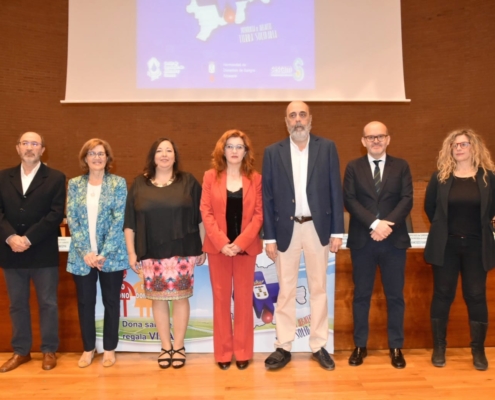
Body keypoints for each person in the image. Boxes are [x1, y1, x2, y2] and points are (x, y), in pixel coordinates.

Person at [262, 101, 344, 371]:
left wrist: (336, 230)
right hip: (285, 230)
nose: (298, 120)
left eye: (302, 114)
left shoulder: (327, 147)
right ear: (286, 120)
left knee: (318, 288)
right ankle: (283, 346)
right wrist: (269, 237)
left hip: (317, 228)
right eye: (292, 115)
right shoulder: (273, 152)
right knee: (285, 291)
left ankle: (318, 345)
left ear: (311, 119)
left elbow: (335, 189)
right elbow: (268, 196)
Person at [124, 138, 205, 369]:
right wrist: (131, 252)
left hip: (182, 250)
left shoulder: (188, 181)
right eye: (159, 150)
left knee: (180, 299)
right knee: (157, 301)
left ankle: (178, 346)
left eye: (169, 150)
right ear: (153, 156)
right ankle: (165, 347)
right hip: (150, 252)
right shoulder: (139, 183)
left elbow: (202, 216)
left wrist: (203, 246)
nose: (164, 154)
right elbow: (129, 221)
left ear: (175, 155)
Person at [424, 128, 495, 371]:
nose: (459, 148)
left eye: (464, 144)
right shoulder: (440, 178)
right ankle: (439, 347)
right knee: (443, 295)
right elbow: (430, 208)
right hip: (446, 246)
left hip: (477, 245)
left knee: (476, 296)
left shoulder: (488, 178)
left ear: (474, 147)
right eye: (455, 145)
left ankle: (478, 350)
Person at [343, 121, 413, 369]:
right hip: (364, 241)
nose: (375, 140)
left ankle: (396, 347)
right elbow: (349, 200)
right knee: (361, 296)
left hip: (393, 241)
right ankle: (360, 346)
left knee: (395, 296)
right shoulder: (353, 167)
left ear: (388, 139)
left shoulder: (401, 166)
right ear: (363, 141)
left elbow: (407, 199)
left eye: (380, 136)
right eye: (370, 137)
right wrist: (374, 224)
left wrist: (386, 225)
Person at [0, 132, 66, 373]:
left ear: (42, 149)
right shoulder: (2, 177)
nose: (30, 148)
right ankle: (21, 351)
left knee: (48, 303)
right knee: (17, 305)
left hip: (42, 251)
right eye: (25, 143)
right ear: (18, 148)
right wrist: (10, 238)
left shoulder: (56, 178)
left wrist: (28, 239)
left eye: (34, 144)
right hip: (10, 251)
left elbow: (55, 214)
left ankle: (49, 349)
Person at [200, 130, 263, 370]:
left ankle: (243, 351)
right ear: (222, 151)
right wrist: (222, 243)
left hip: (245, 249)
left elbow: (258, 215)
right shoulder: (209, 177)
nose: (235, 151)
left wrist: (240, 243)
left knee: (245, 301)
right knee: (221, 301)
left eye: (239, 147)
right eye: (230, 146)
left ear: (246, 152)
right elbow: (205, 211)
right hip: (219, 250)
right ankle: (224, 353)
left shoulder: (255, 179)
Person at [66, 138, 129, 368]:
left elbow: (118, 219)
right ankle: (88, 347)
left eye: (101, 153)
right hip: (82, 258)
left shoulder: (118, 183)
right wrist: (86, 252)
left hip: (110, 256)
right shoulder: (74, 184)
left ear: (107, 158)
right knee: (85, 302)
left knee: (112, 301)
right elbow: (72, 218)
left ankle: (110, 348)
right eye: (92, 153)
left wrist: (103, 252)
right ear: (85, 158)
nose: (97, 157)